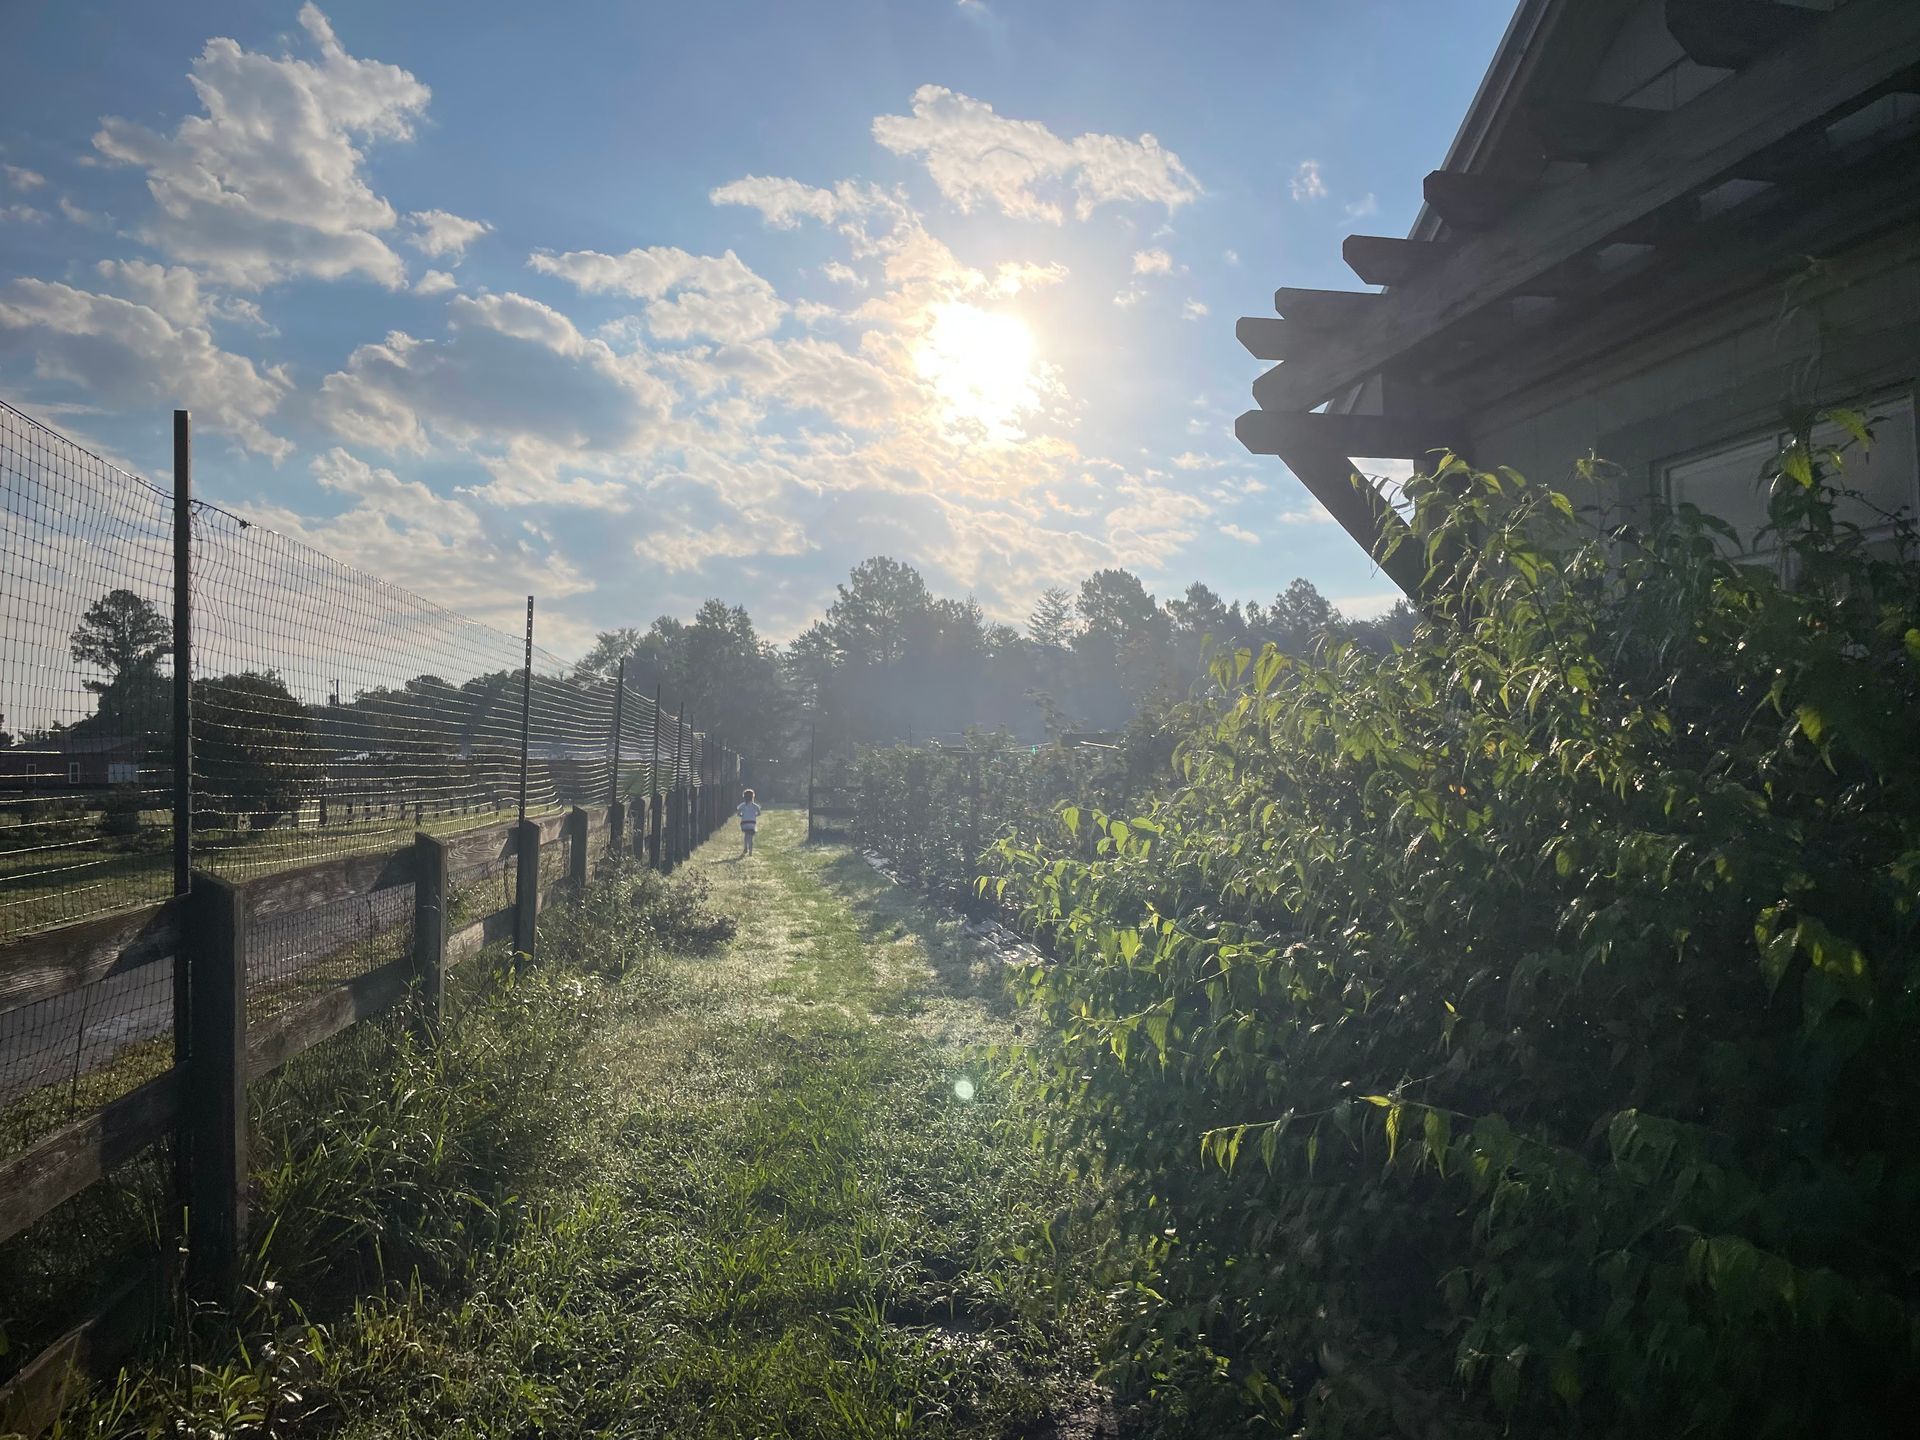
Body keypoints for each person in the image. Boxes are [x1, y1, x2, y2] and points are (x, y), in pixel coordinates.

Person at [736, 787, 761, 856]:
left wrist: (742, 815)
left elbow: (738, 813)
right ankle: (750, 852)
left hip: (744, 822)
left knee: (746, 835)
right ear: (753, 797)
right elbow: (759, 813)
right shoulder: (755, 806)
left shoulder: (742, 805)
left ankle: (745, 847)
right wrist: (754, 815)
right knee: (750, 837)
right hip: (752, 823)